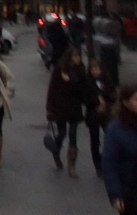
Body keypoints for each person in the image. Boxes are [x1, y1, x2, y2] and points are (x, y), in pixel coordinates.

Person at [46, 46, 94, 176]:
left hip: (74, 108)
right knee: (62, 133)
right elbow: (52, 89)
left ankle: (71, 165)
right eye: (75, 56)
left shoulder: (80, 72)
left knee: (73, 135)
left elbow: (84, 90)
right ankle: (56, 150)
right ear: (69, 57)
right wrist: (49, 108)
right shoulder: (59, 70)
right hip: (60, 108)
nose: (78, 58)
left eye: (79, 56)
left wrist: (72, 81)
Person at [102, 84, 137, 214]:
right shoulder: (116, 129)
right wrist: (115, 194)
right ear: (126, 103)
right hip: (132, 192)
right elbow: (109, 163)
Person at [87, 58, 117, 177]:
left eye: (97, 68)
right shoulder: (87, 82)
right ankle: (98, 165)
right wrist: (96, 102)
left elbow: (113, 96)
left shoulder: (107, 81)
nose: (95, 71)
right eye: (93, 68)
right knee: (95, 140)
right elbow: (85, 98)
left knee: (109, 137)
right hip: (93, 115)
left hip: (106, 114)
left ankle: (107, 162)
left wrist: (104, 102)